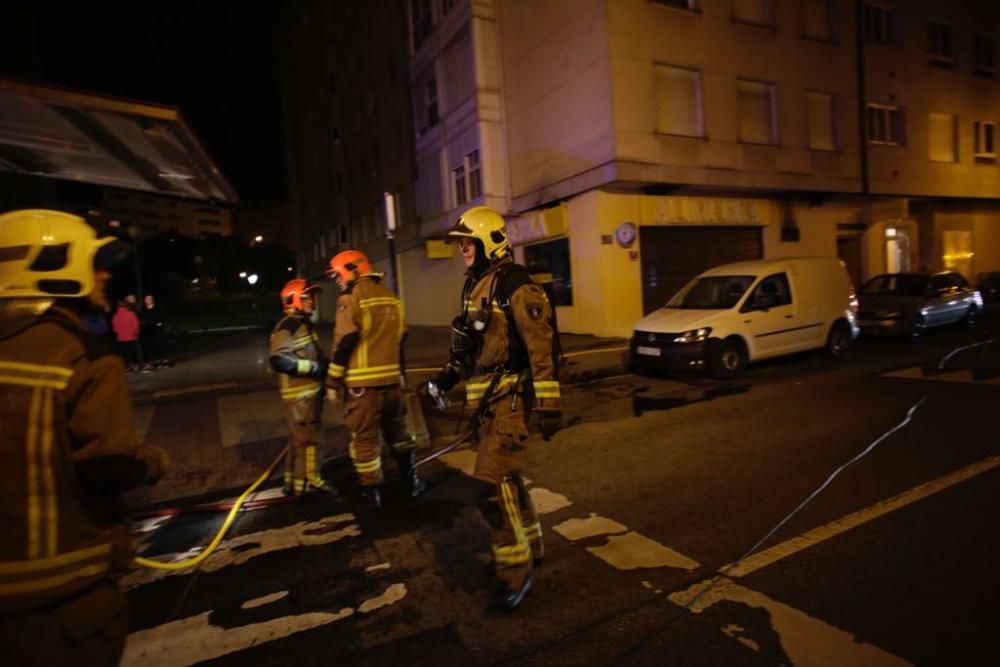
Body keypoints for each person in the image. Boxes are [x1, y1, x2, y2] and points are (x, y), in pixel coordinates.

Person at [0, 209, 169, 666]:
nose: (105, 274)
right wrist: (152, 461)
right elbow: (107, 468)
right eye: (92, 262)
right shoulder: (84, 356)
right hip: (63, 600)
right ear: (48, 265)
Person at [429, 206, 562, 610]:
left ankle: (514, 574)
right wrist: (447, 378)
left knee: (488, 489)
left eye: (467, 242)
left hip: (509, 404)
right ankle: (532, 545)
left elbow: (541, 346)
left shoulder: (517, 285)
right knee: (507, 481)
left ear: (488, 241)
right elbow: (472, 346)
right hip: (488, 405)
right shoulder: (476, 286)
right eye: (460, 244)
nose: (462, 249)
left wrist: (549, 403)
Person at [324, 249, 425, 509]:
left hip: (362, 390)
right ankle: (411, 481)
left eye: (338, 274)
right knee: (399, 435)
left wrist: (333, 382)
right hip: (392, 386)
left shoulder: (350, 297)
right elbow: (401, 338)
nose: (337, 280)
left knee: (365, 441)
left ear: (352, 270)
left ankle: (372, 495)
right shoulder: (392, 298)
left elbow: (346, 340)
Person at [269, 278, 336, 497]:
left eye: (313, 297)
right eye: (307, 297)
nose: (312, 302)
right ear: (293, 300)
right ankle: (310, 484)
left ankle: (292, 485)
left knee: (298, 441)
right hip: (300, 398)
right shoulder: (287, 327)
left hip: (306, 395)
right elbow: (279, 360)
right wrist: (315, 368)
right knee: (310, 441)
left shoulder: (302, 325)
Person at [111, 299, 141, 372]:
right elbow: (135, 326)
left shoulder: (115, 316)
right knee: (134, 353)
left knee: (124, 354)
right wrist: (136, 333)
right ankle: (136, 366)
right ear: (126, 306)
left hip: (121, 338)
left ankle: (127, 367)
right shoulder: (131, 314)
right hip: (132, 337)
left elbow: (115, 329)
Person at [140, 294, 169, 368]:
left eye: (150, 299)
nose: (148, 300)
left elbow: (162, 315)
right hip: (149, 330)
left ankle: (164, 360)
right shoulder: (144, 309)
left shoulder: (157, 307)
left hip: (158, 329)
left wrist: (160, 323)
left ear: (152, 300)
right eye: (147, 299)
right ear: (145, 301)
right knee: (153, 345)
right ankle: (157, 361)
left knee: (160, 344)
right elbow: (143, 319)